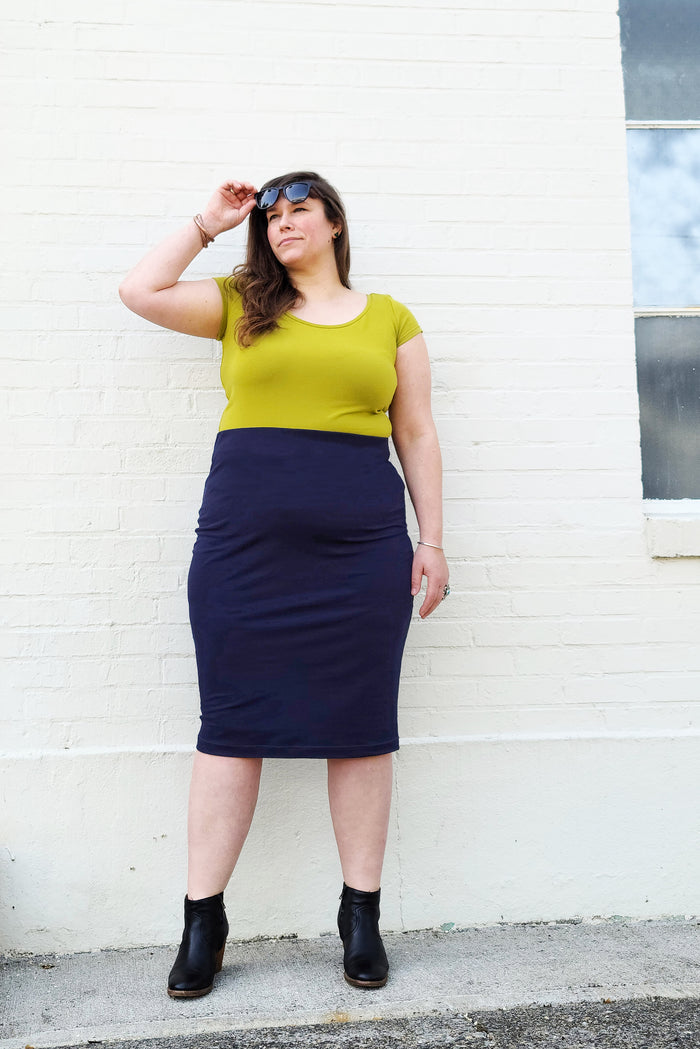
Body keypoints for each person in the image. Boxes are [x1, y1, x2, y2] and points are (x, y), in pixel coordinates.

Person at [119, 171, 449, 999]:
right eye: (271, 216)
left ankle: (361, 914)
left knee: (361, 726)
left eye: (301, 210)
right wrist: (207, 221)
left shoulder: (390, 318)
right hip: (244, 546)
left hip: (362, 548)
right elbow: (140, 290)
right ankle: (203, 920)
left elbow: (415, 430)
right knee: (231, 726)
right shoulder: (241, 303)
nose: (283, 224)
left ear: (335, 224)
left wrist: (433, 540)